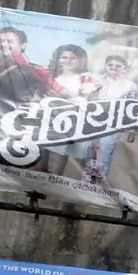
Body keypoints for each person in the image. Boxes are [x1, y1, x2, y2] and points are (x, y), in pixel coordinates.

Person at [45, 43, 100, 176]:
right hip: (48, 123)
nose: (68, 61)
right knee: (46, 160)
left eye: (73, 58)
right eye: (64, 57)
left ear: (80, 60)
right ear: (57, 59)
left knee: (64, 161)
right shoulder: (51, 77)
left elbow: (93, 100)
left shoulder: (86, 78)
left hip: (73, 124)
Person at [0, 26, 62, 109]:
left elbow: (61, 91)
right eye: (0, 40)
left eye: (9, 41)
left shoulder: (34, 70)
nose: (3, 44)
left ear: (23, 45)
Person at [85, 53, 138, 185]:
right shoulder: (95, 80)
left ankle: (98, 187)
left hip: (112, 125)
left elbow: (133, 109)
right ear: (105, 66)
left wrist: (132, 129)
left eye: (118, 66)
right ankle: (85, 184)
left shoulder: (130, 86)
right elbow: (84, 100)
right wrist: (91, 92)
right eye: (110, 65)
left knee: (104, 154)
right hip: (91, 122)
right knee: (88, 153)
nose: (113, 68)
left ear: (124, 68)